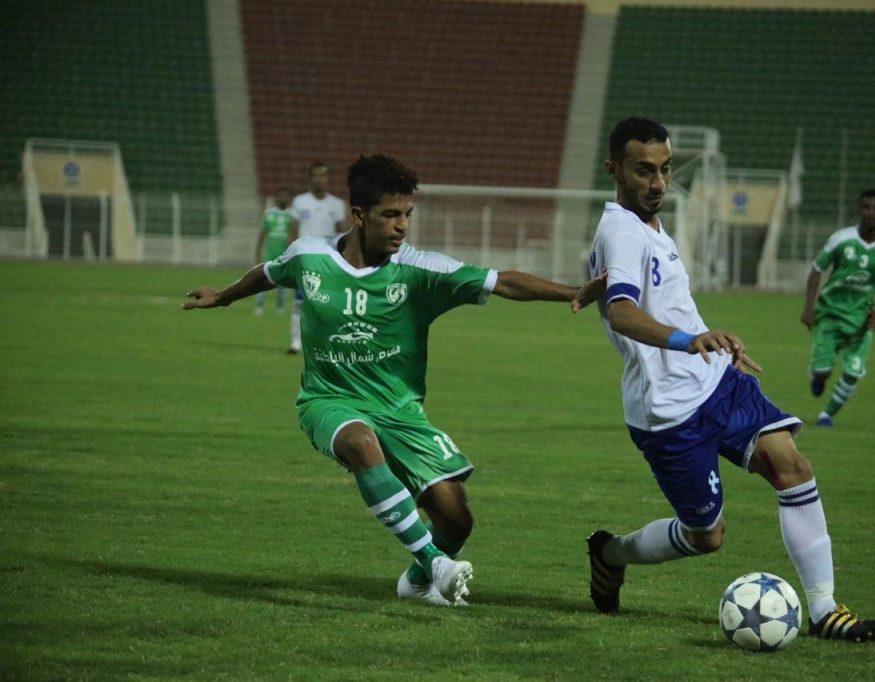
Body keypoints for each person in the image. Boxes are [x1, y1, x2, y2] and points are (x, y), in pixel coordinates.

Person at [184, 154, 599, 606]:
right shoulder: (310, 256)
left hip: (399, 411)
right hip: (327, 400)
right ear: (359, 215)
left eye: (407, 214)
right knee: (361, 442)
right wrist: (224, 296)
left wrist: (574, 292)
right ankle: (436, 564)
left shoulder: (420, 270)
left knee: (456, 518)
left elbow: (503, 283)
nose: (402, 226)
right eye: (390, 215)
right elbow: (268, 272)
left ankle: (417, 582)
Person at [578, 117, 875, 642]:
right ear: (613, 170)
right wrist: (690, 340)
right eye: (644, 171)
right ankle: (611, 553)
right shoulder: (622, 231)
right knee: (707, 536)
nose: (658, 182)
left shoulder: (648, 225)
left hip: (717, 380)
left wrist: (711, 343)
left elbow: (663, 301)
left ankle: (823, 610)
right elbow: (624, 313)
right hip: (668, 413)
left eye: (665, 169)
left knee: (792, 466)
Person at [800, 190, 875, 427]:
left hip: (861, 320)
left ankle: (827, 416)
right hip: (830, 315)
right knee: (823, 371)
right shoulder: (841, 239)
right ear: (859, 210)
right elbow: (816, 270)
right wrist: (808, 307)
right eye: (866, 207)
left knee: (853, 372)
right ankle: (818, 377)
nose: (871, 212)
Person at [286, 161, 347, 353]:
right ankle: (296, 343)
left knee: (328, 304)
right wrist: (291, 256)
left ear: (327, 178)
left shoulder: (336, 204)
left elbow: (341, 234)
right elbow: (293, 230)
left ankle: (326, 343)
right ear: (309, 178)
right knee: (300, 303)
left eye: (322, 175)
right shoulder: (299, 202)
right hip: (305, 259)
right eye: (315, 175)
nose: (319, 179)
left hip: (328, 261)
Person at [253, 187, 293, 316]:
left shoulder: (292, 215)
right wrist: (258, 251)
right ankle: (260, 306)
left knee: (282, 281)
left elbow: (293, 235)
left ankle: (280, 306)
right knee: (262, 279)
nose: (283, 198)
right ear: (276, 198)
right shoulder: (269, 214)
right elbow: (262, 233)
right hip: (269, 253)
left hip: (284, 253)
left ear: (289, 199)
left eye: (285, 196)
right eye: (280, 195)